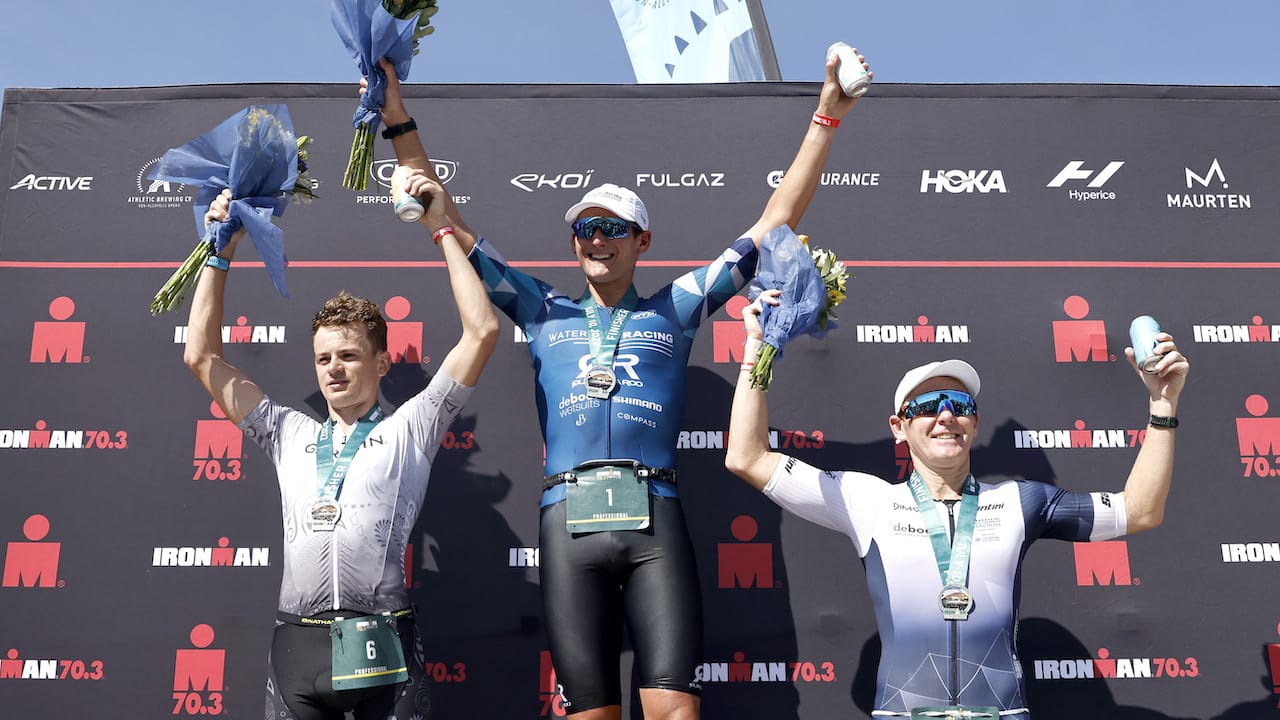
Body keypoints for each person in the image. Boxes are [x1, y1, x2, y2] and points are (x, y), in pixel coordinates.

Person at [367, 46, 870, 720]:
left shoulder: (677, 307)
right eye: (584, 229)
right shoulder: (541, 308)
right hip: (566, 522)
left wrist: (826, 118)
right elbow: (447, 220)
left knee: (675, 712)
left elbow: (772, 227)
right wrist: (398, 120)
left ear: (642, 240)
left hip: (653, 520)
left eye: (611, 229)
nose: (596, 240)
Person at [724, 290, 1190, 717]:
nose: (946, 415)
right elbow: (747, 457)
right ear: (898, 427)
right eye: (928, 406)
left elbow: (1140, 510)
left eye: (960, 404)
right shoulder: (866, 500)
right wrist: (757, 351)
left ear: (974, 423)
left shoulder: (1020, 501)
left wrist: (1163, 405)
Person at [182, 180, 498, 720]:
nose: (334, 368)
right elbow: (200, 357)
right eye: (324, 358)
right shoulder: (286, 431)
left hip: (384, 642)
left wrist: (441, 228)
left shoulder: (412, 427)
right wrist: (219, 251)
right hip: (297, 649)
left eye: (348, 356)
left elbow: (482, 330)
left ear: (382, 363)